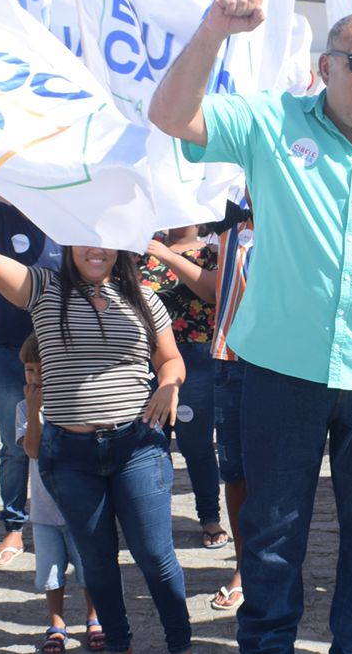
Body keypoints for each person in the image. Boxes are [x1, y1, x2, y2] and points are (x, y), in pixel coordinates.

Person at [149, 0, 352, 653]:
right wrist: (214, 31)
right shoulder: (272, 121)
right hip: (280, 371)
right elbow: (171, 115)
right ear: (326, 68)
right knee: (272, 531)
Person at [0, 169, 193, 654]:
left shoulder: (144, 299)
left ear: (120, 248)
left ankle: (180, 643)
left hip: (136, 447)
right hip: (70, 455)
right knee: (96, 562)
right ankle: (118, 644)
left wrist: (168, 383)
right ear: (70, 246)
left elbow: (171, 358)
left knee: (155, 556)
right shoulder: (43, 289)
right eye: (85, 241)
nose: (95, 250)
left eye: (105, 242)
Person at [0, 199, 62, 569]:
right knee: (14, 444)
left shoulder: (71, 209)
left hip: (62, 350)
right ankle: (14, 526)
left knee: (68, 436)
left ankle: (68, 520)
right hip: (8, 350)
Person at [138, 225, 226, 550]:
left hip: (197, 358)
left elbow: (211, 291)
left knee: (197, 446)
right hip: (149, 357)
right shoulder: (142, 244)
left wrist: (167, 255)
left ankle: (209, 517)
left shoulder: (212, 248)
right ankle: (150, 520)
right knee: (149, 443)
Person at [16, 333, 101, 654]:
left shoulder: (74, 402)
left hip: (80, 507)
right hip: (44, 509)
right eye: (29, 371)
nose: (35, 378)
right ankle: (57, 623)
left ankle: (95, 619)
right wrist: (35, 408)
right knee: (50, 573)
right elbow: (33, 449)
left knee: (88, 569)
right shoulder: (24, 409)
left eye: (41, 370)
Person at [206, 198, 254, 612]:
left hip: (281, 366)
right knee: (236, 473)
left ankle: (274, 566)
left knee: (275, 476)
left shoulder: (301, 231)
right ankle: (243, 566)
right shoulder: (229, 233)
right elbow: (215, 289)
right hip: (230, 363)